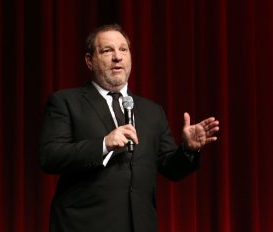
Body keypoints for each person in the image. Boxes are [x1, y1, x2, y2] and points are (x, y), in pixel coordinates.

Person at [39, 24, 219, 232]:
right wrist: (104, 144)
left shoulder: (152, 111)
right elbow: (50, 156)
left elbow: (170, 168)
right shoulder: (66, 102)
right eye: (107, 51)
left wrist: (188, 149)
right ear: (89, 61)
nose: (117, 57)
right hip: (84, 224)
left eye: (123, 50)